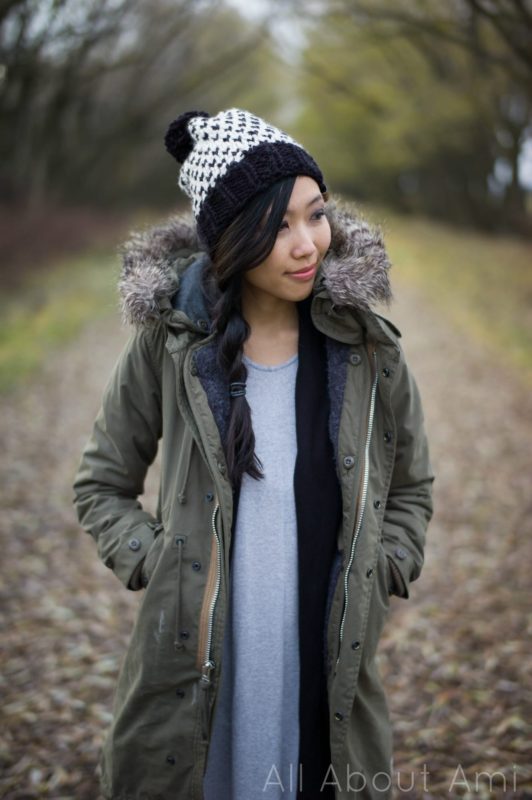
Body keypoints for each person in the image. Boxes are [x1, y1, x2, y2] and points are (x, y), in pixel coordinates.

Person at [73, 108, 434, 800]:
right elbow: (101, 483)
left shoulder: (365, 350)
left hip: (325, 661)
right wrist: (157, 559)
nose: (307, 244)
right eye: (279, 226)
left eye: (316, 215)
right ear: (234, 241)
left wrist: (385, 564)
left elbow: (413, 484)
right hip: (196, 669)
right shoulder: (171, 345)